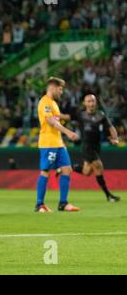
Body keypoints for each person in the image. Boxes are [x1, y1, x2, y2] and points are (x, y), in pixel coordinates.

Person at [62, 94, 120, 202]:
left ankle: (65, 168)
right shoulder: (81, 115)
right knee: (98, 166)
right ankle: (108, 195)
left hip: (96, 146)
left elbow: (111, 127)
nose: (91, 103)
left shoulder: (101, 115)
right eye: (89, 101)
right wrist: (56, 116)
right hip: (86, 146)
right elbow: (67, 117)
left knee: (86, 172)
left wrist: (115, 138)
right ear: (85, 103)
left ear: (96, 103)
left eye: (93, 101)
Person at [35, 77, 80, 213]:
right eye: (60, 89)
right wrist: (68, 132)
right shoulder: (45, 102)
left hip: (58, 142)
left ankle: (63, 203)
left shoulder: (53, 103)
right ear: (52, 88)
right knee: (46, 171)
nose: (61, 92)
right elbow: (49, 120)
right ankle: (39, 205)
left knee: (67, 169)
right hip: (48, 143)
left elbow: (56, 117)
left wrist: (65, 117)